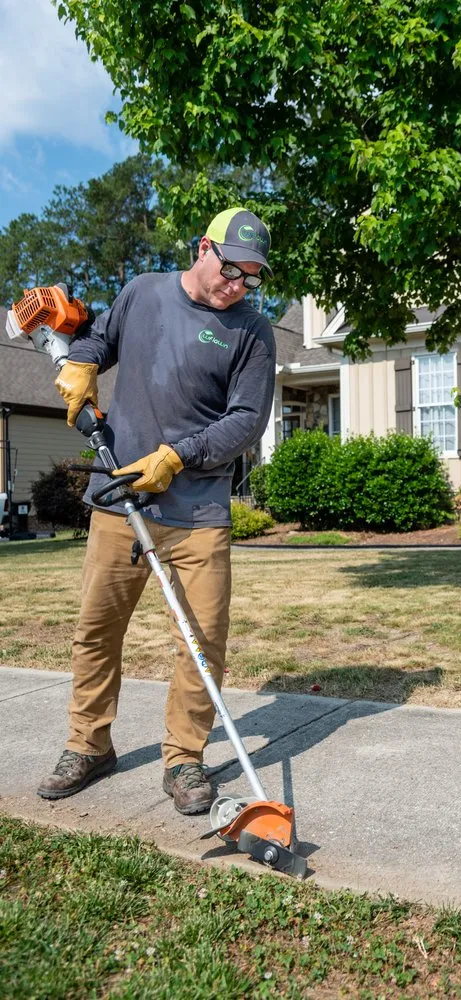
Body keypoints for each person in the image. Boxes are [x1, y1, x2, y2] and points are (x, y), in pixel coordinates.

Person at [37, 208, 276, 815]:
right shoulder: (143, 292)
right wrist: (82, 362)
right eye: (231, 270)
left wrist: (178, 456)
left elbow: (247, 421)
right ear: (203, 249)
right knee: (96, 629)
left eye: (251, 278)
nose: (238, 286)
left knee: (201, 641)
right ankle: (88, 745)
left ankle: (184, 759)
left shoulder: (253, 332)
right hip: (118, 501)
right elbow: (99, 339)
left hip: (198, 513)